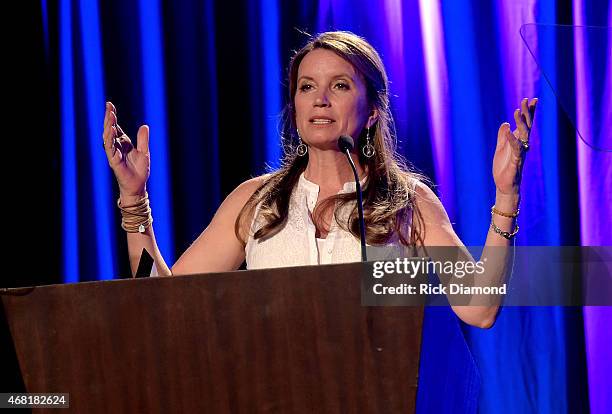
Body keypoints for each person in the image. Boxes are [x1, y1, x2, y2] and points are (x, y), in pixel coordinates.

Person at [102, 31, 537, 328]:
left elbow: (479, 308)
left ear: (372, 112)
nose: (321, 100)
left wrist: (506, 194)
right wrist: (134, 198)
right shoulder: (255, 202)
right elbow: (163, 303)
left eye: (341, 86)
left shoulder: (407, 200)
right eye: (307, 87)